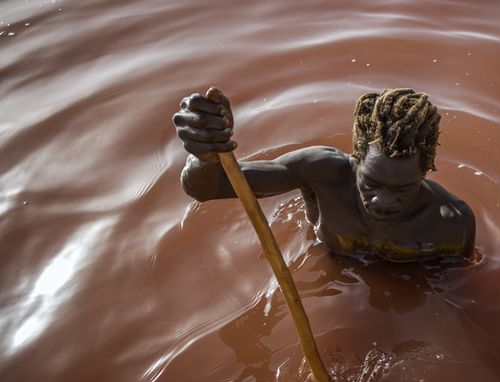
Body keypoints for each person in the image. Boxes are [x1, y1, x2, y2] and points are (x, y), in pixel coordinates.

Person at [174, 87, 475, 262]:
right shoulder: (320, 171)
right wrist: (205, 156)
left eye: (402, 189)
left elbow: (458, 291)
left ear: (427, 169)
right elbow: (207, 189)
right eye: (370, 183)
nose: (382, 201)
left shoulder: (452, 224)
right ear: (356, 156)